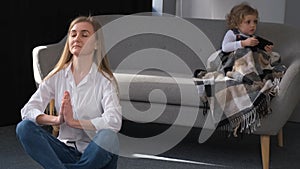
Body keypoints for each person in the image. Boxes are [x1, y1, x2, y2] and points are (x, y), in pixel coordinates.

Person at [16, 15, 122, 169]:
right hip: (64, 151)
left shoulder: (105, 81)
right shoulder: (56, 77)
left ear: (96, 44)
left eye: (84, 35)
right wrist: (57, 120)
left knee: (108, 136)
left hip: (95, 154)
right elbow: (27, 111)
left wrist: (74, 123)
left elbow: (114, 121)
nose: (77, 38)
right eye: (73, 34)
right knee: (24, 127)